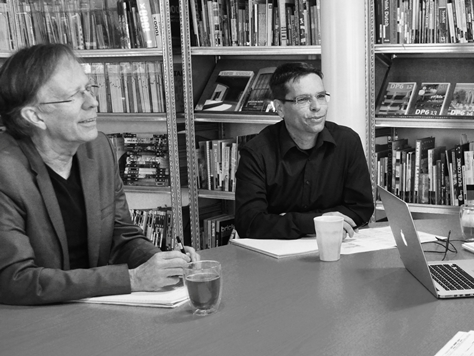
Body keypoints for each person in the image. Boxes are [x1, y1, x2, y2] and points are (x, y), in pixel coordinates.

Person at [0, 44, 199, 306]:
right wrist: (132, 279)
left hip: (94, 309)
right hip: (29, 320)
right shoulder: (5, 171)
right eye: (73, 96)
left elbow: (122, 235)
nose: (92, 102)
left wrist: (161, 263)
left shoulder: (98, 148)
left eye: (88, 88)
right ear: (35, 116)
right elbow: (15, 280)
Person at [234, 62, 374, 239]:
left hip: (337, 244)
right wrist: (315, 222)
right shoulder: (257, 153)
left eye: (321, 96)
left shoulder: (347, 142)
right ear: (280, 108)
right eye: (303, 99)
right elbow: (248, 223)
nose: (316, 107)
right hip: (278, 252)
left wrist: (284, 221)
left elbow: (361, 209)